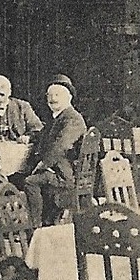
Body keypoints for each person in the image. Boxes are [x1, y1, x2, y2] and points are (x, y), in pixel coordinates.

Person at [15, 74, 88, 227]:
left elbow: (61, 145)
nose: (52, 99)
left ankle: (36, 225)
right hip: (60, 170)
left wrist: (43, 164)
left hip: (66, 175)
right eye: (50, 95)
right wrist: (30, 138)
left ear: (68, 97)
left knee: (30, 182)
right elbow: (44, 134)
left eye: (57, 95)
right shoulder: (59, 118)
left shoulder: (72, 119)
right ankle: (47, 220)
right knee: (29, 172)